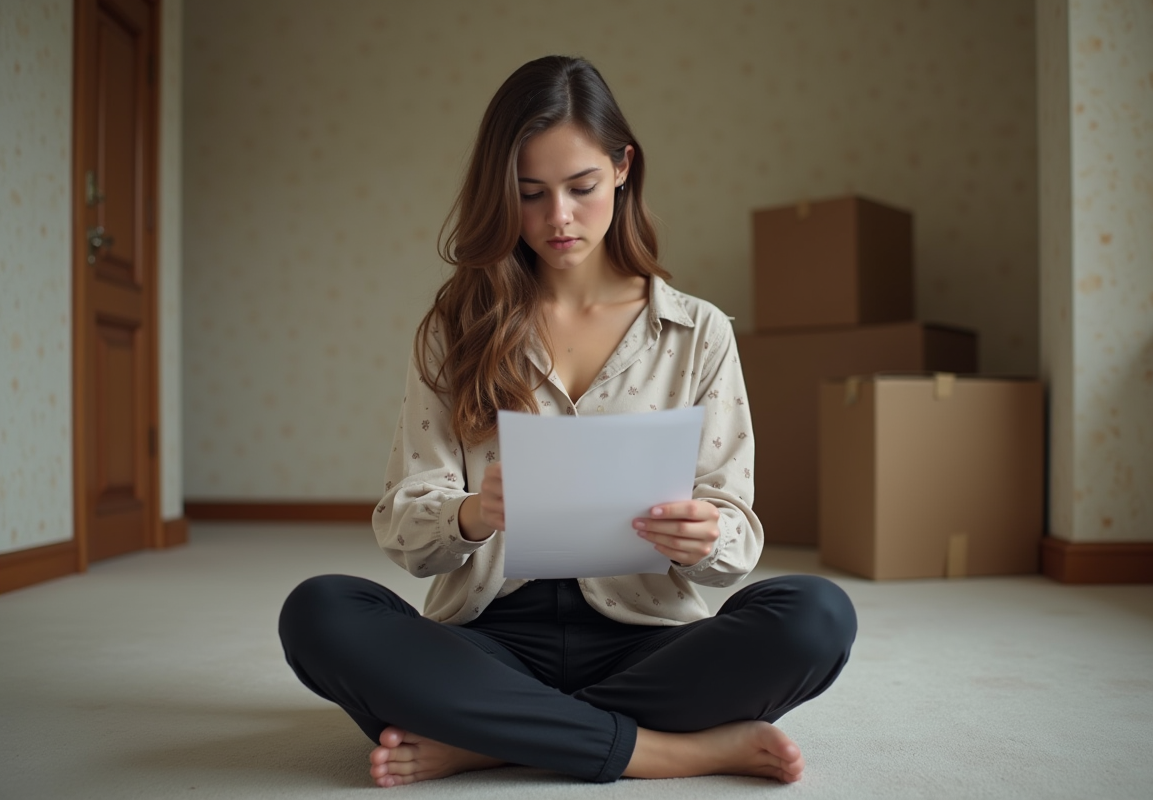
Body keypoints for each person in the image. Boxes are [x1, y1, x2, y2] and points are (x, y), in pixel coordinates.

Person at [278, 55, 857, 788]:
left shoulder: (698, 332)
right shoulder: (453, 329)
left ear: (622, 169)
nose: (558, 218)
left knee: (817, 614)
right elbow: (404, 530)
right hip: (487, 641)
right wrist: (471, 514)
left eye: (581, 187)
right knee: (320, 610)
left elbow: (736, 538)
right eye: (530, 194)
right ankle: (665, 750)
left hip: (647, 642)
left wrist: (706, 535)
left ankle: (489, 738)